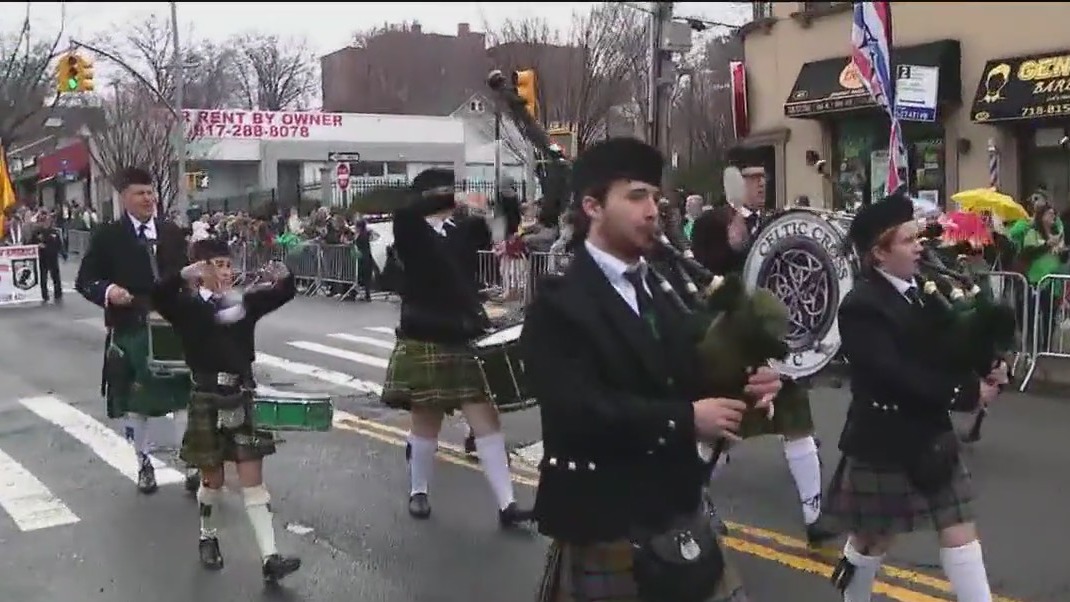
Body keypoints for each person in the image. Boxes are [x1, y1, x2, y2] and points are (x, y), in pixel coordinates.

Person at [522, 137, 783, 601]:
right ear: (593, 207)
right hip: (606, 517)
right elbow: (577, 411)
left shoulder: (660, 290)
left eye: (656, 199)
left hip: (675, 507)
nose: (652, 210)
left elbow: (687, 370)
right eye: (636, 196)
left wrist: (746, 383)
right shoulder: (559, 304)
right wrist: (686, 419)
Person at [826, 192, 1008, 601]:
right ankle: (854, 585)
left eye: (917, 236)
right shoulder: (861, 307)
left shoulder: (926, 291)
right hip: (884, 440)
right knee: (873, 539)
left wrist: (989, 362)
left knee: (960, 529)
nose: (920, 245)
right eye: (908, 240)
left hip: (932, 435)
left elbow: (950, 344)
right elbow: (896, 376)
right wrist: (965, 393)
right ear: (879, 254)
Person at [691, 156, 837, 545]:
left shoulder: (775, 223)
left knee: (797, 422)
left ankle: (815, 514)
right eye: (753, 179)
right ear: (736, 181)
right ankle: (694, 501)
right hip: (733, 339)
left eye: (764, 179)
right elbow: (706, 269)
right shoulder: (713, 222)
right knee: (720, 428)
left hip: (776, 340)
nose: (760, 186)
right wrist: (730, 244)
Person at [380, 168, 532, 526]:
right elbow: (408, 210)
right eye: (445, 192)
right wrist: (453, 198)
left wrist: (506, 198)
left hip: (463, 337)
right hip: (425, 334)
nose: (454, 197)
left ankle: (507, 504)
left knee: (487, 421)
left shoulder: (463, 230)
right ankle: (419, 490)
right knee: (425, 421)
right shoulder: (409, 230)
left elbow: (502, 227)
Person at [150, 237, 301, 580]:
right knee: (213, 481)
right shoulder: (186, 306)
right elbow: (158, 296)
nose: (226, 271)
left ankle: (270, 557)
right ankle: (208, 536)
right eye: (217, 265)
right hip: (206, 395)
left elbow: (282, 294)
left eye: (228, 264)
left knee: (253, 478)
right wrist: (180, 276)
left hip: (241, 392)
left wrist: (284, 276)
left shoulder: (244, 303)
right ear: (200, 271)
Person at [75, 167, 198, 494]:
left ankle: (191, 462)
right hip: (130, 326)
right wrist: (108, 291)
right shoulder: (108, 236)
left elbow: (184, 277)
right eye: (140, 193)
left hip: (172, 327)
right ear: (124, 197)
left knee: (185, 399)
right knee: (135, 403)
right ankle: (143, 462)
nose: (148, 199)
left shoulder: (171, 232)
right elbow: (85, 280)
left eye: (151, 192)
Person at [29, 212, 66, 302]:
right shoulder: (37, 232)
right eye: (43, 220)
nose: (45, 222)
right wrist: (38, 245)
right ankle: (44, 294)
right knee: (43, 276)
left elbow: (59, 244)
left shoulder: (54, 232)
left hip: (53, 256)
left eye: (47, 220)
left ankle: (58, 293)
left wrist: (63, 253)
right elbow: (30, 243)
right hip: (42, 257)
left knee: (55, 276)